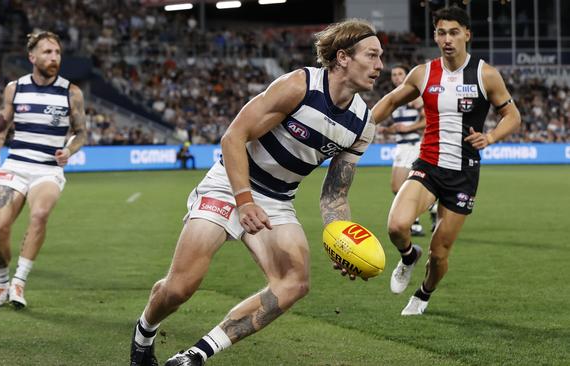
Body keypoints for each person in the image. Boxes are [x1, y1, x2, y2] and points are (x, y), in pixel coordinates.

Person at [130, 19, 382, 366]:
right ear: (342, 57)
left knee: (295, 282)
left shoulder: (363, 124)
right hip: (230, 185)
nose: (379, 65)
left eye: (380, 57)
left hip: (278, 200)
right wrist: (244, 200)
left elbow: (334, 196)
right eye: (371, 55)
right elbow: (233, 136)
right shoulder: (300, 85)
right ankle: (144, 331)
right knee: (179, 289)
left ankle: (195, 356)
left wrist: (344, 241)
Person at [371, 6, 521, 316]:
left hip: (464, 175)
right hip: (427, 166)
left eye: (454, 32)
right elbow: (390, 101)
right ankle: (409, 256)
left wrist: (490, 137)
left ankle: (424, 293)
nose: (447, 39)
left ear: (467, 34)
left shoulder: (486, 74)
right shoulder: (423, 73)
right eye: (441, 33)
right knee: (397, 225)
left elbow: (512, 115)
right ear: (436, 37)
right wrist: (362, 126)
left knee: (439, 254)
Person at [0, 31, 87, 309]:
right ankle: (1, 284)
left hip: (47, 170)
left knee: (39, 215)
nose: (54, 57)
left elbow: (81, 133)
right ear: (32, 57)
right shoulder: (15, 89)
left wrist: (69, 150)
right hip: (15, 165)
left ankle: (19, 282)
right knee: (0, 227)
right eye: (48, 52)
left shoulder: (71, 92)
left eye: (57, 52)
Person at [379, 64, 429, 236]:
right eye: (394, 74)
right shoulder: (396, 98)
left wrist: (407, 129)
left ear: (407, 75)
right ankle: (432, 207)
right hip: (402, 146)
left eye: (400, 73)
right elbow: (401, 125)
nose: (397, 77)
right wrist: (388, 130)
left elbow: (427, 121)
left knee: (398, 185)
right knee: (397, 187)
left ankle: (414, 224)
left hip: (412, 146)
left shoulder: (413, 97)